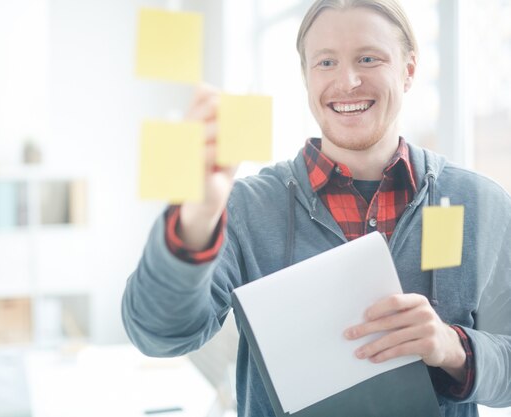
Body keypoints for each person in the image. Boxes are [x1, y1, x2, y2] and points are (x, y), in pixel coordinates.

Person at [122, 0, 511, 416]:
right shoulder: (245, 209)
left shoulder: (481, 204)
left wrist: (453, 347)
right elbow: (159, 335)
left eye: (368, 58)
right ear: (306, 77)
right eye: (326, 62)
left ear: (409, 70)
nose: (347, 81)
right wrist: (195, 222)